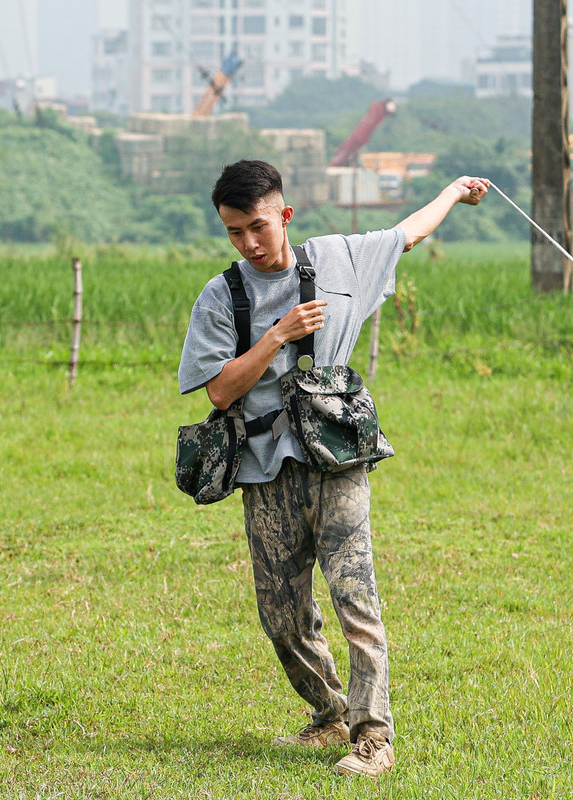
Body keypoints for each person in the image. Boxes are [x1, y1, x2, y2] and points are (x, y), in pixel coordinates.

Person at [178, 159, 488, 777]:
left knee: (356, 599)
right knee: (282, 617)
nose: (249, 243)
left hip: (337, 461)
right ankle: (330, 715)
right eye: (235, 231)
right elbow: (217, 391)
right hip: (265, 471)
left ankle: (374, 738)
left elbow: (407, 234)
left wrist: (454, 192)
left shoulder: (339, 260)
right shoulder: (221, 296)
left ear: (285, 215)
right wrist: (275, 336)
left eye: (259, 227)